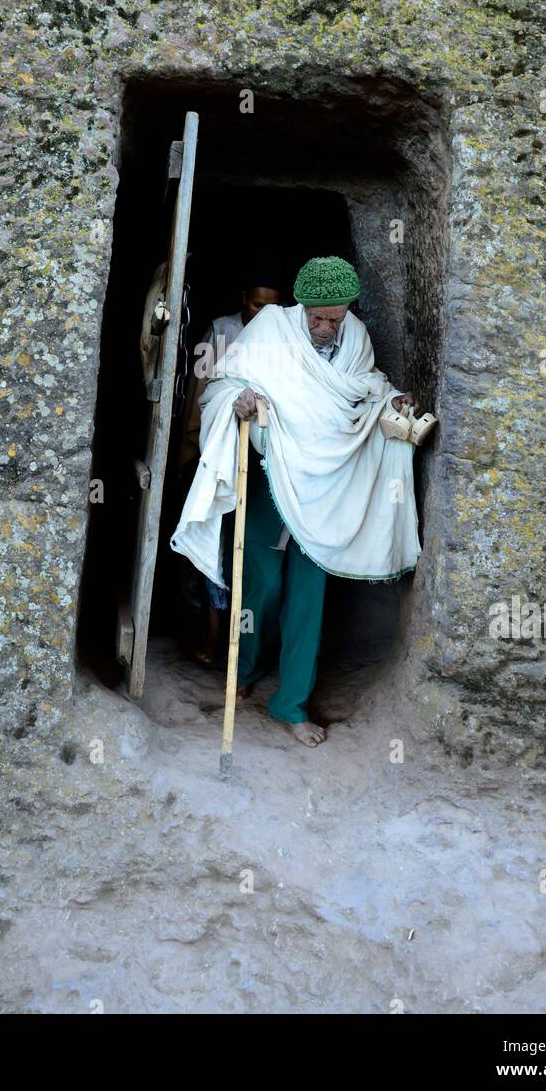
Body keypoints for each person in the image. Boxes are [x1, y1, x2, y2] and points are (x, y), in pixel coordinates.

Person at [171, 255, 423, 748]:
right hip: (271, 475)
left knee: (310, 592)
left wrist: (393, 403)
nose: (328, 327)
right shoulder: (270, 330)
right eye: (318, 318)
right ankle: (242, 670)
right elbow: (219, 388)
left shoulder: (356, 337)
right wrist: (239, 399)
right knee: (259, 584)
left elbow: (368, 390)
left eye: (337, 317)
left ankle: (292, 703)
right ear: (301, 305)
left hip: (328, 486)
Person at [178, 265, 284, 666]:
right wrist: (193, 450)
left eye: (272, 307)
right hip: (217, 452)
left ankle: (245, 649)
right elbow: (199, 391)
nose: (263, 314)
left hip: (261, 459)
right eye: (257, 304)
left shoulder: (283, 336)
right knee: (212, 546)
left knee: (250, 555)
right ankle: (207, 636)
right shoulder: (222, 330)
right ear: (244, 299)